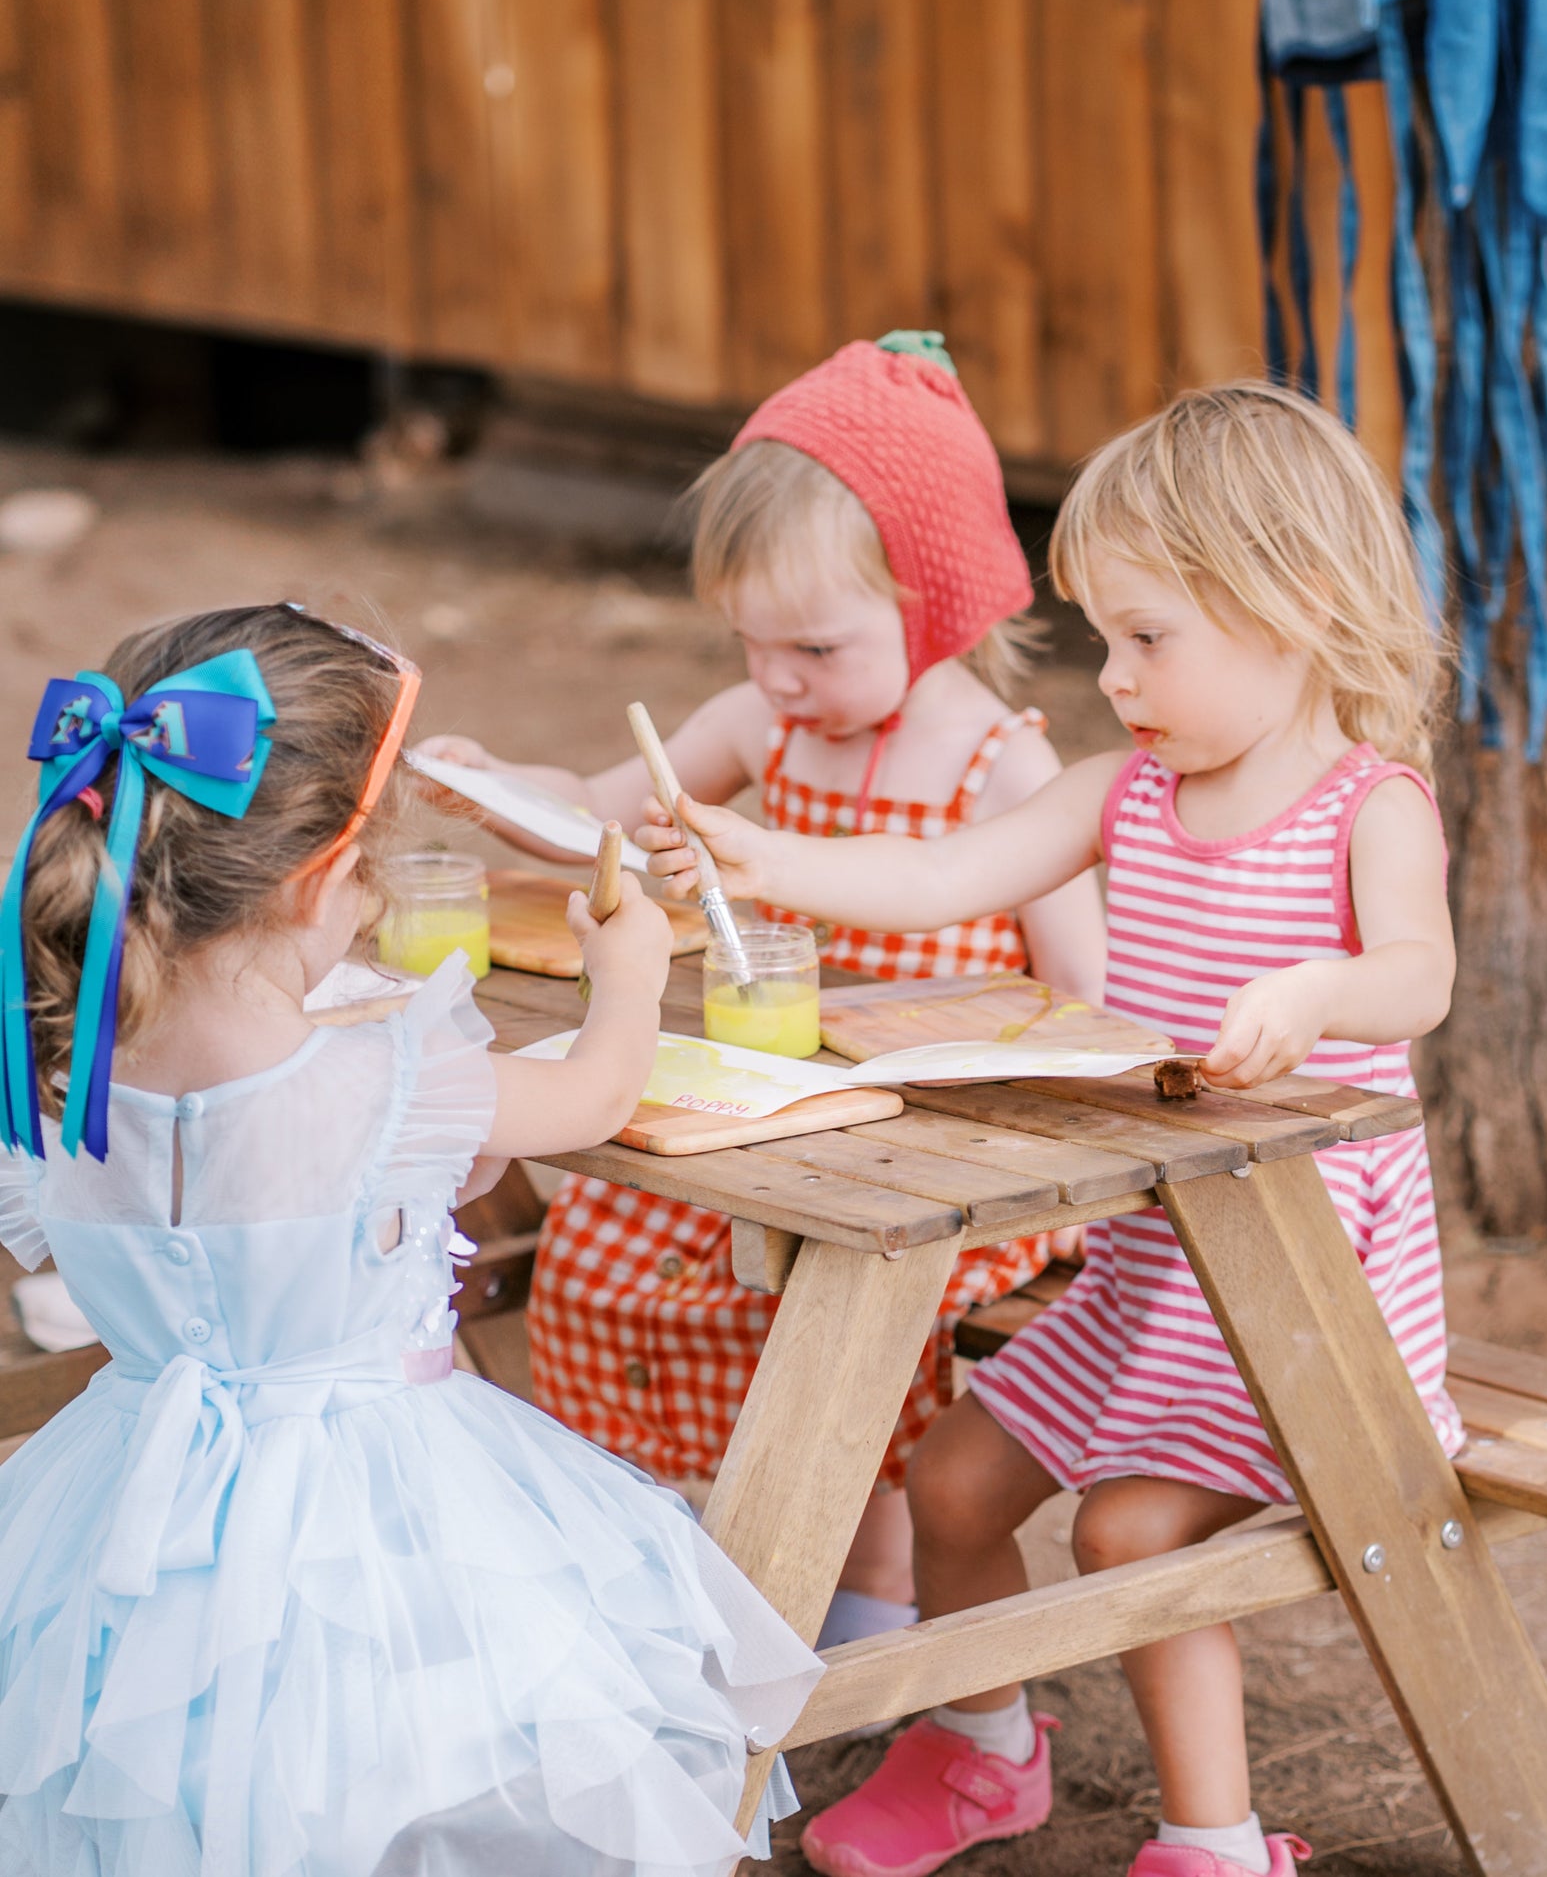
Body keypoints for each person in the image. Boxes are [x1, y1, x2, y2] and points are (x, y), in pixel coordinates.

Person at [643, 383, 1463, 1877]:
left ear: (1296, 606)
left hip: (1304, 1295)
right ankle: (979, 1745)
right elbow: (939, 877)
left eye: (1149, 635)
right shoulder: (1123, 795)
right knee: (951, 1483)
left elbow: (1420, 975)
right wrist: (750, 849)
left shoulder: (1364, 807)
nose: (1116, 672)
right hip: (1149, 1271)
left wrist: (1323, 982)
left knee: (1126, 1533)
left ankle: (1213, 1841)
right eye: (1106, 634)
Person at [0, 604, 821, 1877]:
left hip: (130, 1502)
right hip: (372, 1498)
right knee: (396, 1760)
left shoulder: (52, 1061)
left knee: (178, 1773)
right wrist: (627, 972)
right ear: (315, 882)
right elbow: (597, 1097)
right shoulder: (384, 1079)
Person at [424, 332, 1105, 1651]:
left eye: (815, 645)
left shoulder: (1002, 773)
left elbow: (1086, 993)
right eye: (751, 644)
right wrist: (501, 787)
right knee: (601, 1246)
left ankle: (866, 1595)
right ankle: (666, 1546)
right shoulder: (761, 727)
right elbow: (601, 814)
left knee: (847, 1311)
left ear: (936, 603)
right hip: (770, 1108)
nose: (781, 677)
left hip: (941, 1150)